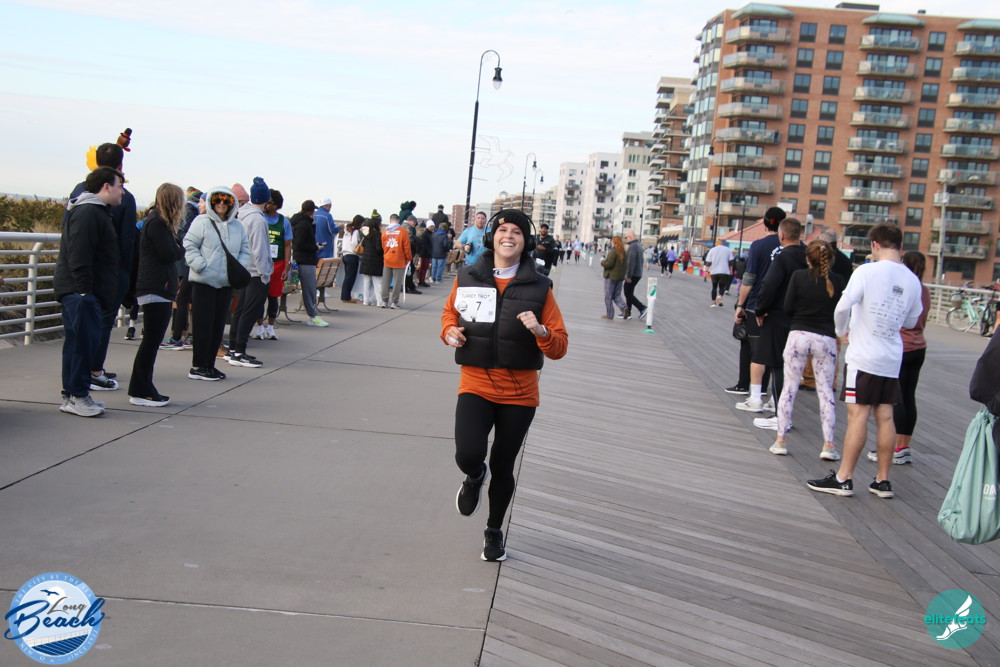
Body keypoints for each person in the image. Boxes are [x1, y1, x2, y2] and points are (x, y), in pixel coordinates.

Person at [442, 209, 568, 562]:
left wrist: (541, 331)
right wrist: (449, 331)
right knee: (468, 454)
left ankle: (494, 531)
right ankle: (473, 475)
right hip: (476, 384)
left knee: (503, 464)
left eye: (516, 231)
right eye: (502, 230)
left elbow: (559, 346)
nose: (508, 235)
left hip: (519, 393)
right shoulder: (468, 276)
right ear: (491, 237)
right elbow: (450, 314)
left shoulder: (540, 287)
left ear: (526, 241)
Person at [807, 223, 923, 499]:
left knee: (858, 415)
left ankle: (844, 477)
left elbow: (843, 307)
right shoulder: (911, 280)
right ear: (900, 245)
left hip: (863, 355)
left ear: (875, 245)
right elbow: (911, 320)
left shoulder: (866, 272)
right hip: (891, 356)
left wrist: (841, 331)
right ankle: (883, 480)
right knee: (886, 416)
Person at [63, 143, 136, 392]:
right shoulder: (122, 199)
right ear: (120, 165)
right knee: (101, 323)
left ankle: (79, 377)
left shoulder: (78, 191)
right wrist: (125, 278)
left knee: (77, 331)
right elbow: (127, 241)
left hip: (78, 273)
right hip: (105, 274)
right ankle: (93, 371)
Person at [54, 167, 124, 416]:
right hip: (80, 293)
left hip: (81, 292)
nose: (122, 192)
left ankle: (73, 395)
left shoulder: (95, 211)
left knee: (78, 345)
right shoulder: (89, 212)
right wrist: (85, 292)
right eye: (119, 186)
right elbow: (79, 255)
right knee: (82, 346)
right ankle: (77, 396)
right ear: (106, 186)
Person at [764, 240, 845, 459]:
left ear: (807, 258)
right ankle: (828, 445)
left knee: (789, 388)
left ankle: (780, 440)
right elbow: (841, 311)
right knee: (825, 391)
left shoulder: (798, 276)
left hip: (798, 334)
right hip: (825, 338)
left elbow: (788, 307)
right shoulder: (838, 281)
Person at [866, 251, 930, 466]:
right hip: (919, 346)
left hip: (902, 346)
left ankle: (893, 447)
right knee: (909, 397)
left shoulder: (904, 287)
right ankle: (904, 446)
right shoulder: (924, 290)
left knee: (896, 398)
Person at [183, 187, 250, 381]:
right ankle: (198, 366)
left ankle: (209, 365)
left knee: (217, 326)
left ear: (232, 204)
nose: (221, 204)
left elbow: (245, 249)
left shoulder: (237, 226)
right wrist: (200, 265)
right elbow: (189, 244)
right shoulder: (201, 222)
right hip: (204, 282)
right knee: (202, 326)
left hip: (225, 283)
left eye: (226, 201)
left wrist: (239, 267)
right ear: (211, 202)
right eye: (217, 200)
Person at [128, 183, 185, 406]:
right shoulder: (158, 224)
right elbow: (170, 253)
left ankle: (142, 388)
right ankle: (142, 390)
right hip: (155, 288)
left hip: (157, 288)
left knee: (151, 342)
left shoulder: (156, 223)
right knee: (151, 342)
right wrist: (179, 248)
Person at [750, 218, 807, 426]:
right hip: (801, 320)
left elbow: (769, 286)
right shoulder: (808, 256)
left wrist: (760, 310)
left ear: (781, 235)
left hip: (778, 317)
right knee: (792, 369)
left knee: (777, 365)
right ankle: (785, 412)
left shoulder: (783, 257)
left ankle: (780, 416)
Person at [731, 206, 786, 405]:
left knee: (754, 348)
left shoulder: (758, 246)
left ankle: (751, 389)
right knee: (776, 351)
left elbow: (749, 278)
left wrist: (740, 304)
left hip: (757, 303)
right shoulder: (799, 248)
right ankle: (769, 391)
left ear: (765, 222)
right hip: (784, 308)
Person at [225, 177, 273, 368]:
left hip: (244, 270)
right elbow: (260, 250)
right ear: (266, 199)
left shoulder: (242, 216)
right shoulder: (258, 220)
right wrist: (265, 274)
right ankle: (240, 351)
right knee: (250, 312)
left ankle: (233, 348)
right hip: (255, 273)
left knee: (240, 310)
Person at [254, 189, 292, 340]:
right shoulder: (259, 218)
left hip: (277, 263)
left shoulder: (284, 222)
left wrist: (286, 266)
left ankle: (270, 327)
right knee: (259, 297)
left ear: (276, 205)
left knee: (273, 296)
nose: (266, 205)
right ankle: (259, 328)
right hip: (261, 263)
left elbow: (288, 244)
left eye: (269, 202)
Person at [291, 200, 329, 326]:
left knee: (309, 290)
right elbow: (299, 244)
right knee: (310, 289)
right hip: (306, 260)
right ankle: (313, 316)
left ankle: (313, 315)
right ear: (311, 211)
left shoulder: (298, 222)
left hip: (300, 258)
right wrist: (315, 247)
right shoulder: (304, 224)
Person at [381, 213, 412, 309]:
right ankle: (394, 302)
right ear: (398, 221)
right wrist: (408, 258)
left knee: (386, 281)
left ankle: (384, 301)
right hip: (399, 259)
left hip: (387, 258)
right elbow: (407, 247)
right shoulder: (403, 231)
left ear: (390, 220)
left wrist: (386, 253)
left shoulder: (385, 231)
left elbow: (383, 245)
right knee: (397, 282)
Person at [358, 211, 385, 306]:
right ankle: (379, 301)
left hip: (365, 260)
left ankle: (366, 300)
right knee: (378, 283)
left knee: (366, 282)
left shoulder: (365, 233)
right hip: (375, 261)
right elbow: (378, 249)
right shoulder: (377, 234)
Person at [600, 235, 628, 320]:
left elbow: (609, 264)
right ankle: (624, 308)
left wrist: (602, 261)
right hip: (620, 278)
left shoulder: (614, 251)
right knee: (617, 295)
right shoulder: (623, 252)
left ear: (614, 242)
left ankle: (610, 315)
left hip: (611, 277)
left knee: (608, 296)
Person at [622, 230, 647, 319]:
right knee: (629, 292)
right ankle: (628, 312)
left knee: (627, 293)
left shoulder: (633, 247)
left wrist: (628, 276)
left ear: (631, 237)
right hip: (638, 273)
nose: (626, 239)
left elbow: (631, 262)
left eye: (626, 237)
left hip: (633, 274)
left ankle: (642, 308)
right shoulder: (639, 246)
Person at [339, 215, 364, 302]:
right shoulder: (355, 231)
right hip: (352, 255)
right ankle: (346, 297)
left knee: (347, 277)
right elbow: (354, 243)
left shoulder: (347, 229)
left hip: (345, 254)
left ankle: (345, 296)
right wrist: (358, 248)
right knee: (350, 277)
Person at [704, 241, 734, 307]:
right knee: (722, 286)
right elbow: (731, 262)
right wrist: (731, 270)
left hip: (714, 272)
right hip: (724, 271)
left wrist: (706, 271)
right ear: (722, 244)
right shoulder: (728, 250)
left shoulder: (712, 250)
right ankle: (720, 296)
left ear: (716, 244)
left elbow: (708, 262)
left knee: (714, 287)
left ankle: (713, 302)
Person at [416, 221, 434, 287]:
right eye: (431, 226)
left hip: (428, 253)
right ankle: (421, 281)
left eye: (433, 226)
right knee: (423, 267)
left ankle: (422, 280)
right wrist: (428, 250)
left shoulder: (430, 233)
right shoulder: (425, 234)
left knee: (425, 267)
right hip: (424, 253)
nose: (432, 227)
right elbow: (424, 244)